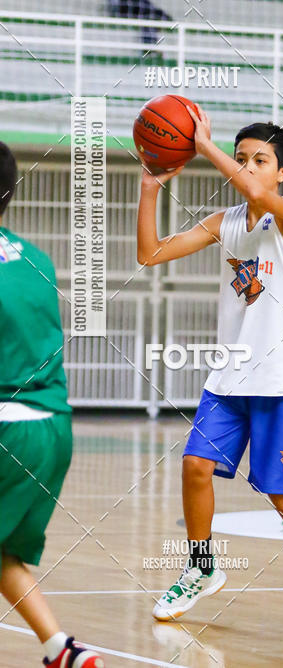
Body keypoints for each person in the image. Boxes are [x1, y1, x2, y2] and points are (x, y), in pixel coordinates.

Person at [137, 110, 283, 626]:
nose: (249, 167)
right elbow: (150, 254)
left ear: (282, 172)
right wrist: (149, 188)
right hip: (230, 374)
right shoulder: (225, 222)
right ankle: (201, 568)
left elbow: (255, 193)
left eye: (261, 160)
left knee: (281, 492)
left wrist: (203, 146)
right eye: (241, 159)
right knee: (195, 466)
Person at [0, 142, 106, 668]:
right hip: (52, 428)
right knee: (4, 553)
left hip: (9, 428)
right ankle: (60, 649)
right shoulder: (35, 259)